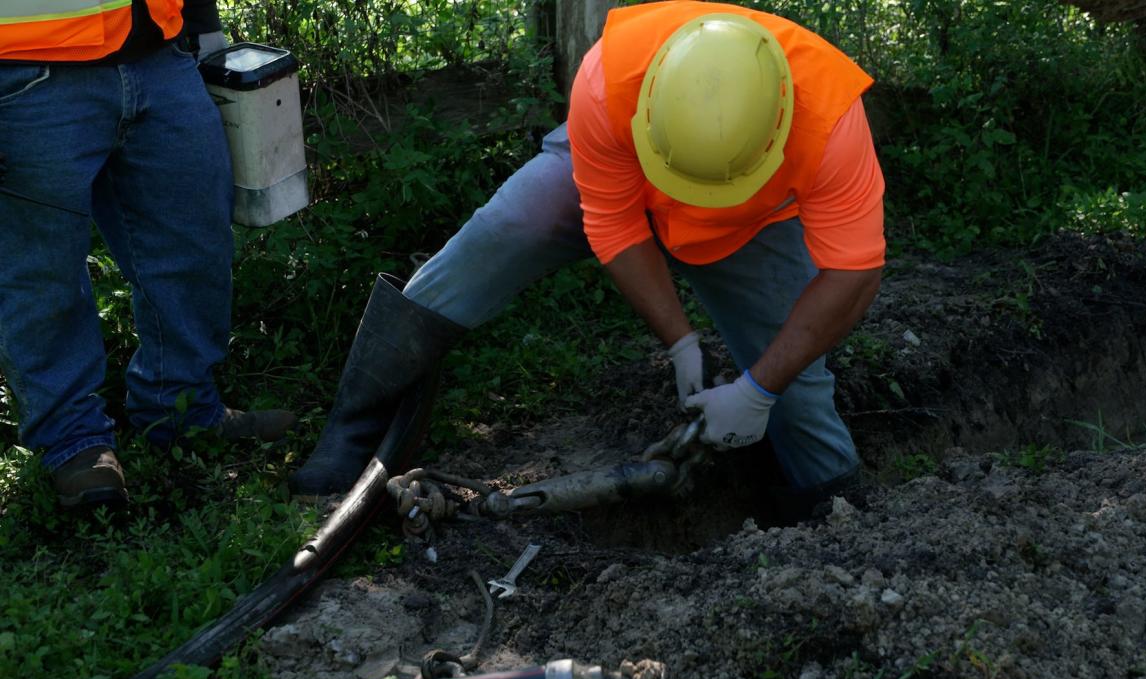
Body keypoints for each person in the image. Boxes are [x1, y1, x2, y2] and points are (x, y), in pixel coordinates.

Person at [291, 1, 885, 512]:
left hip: (753, 228)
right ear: (651, 104)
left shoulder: (829, 118)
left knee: (797, 391)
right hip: (620, 176)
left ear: (780, 126)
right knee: (508, 224)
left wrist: (758, 388)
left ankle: (831, 521)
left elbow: (852, 274)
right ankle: (357, 423)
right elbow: (614, 224)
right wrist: (681, 345)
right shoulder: (612, 77)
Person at [0, 0, 296, 509]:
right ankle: (75, 443)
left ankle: (181, 407)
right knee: (41, 276)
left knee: (195, 240)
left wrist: (203, 29)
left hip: (160, 56)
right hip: (26, 71)